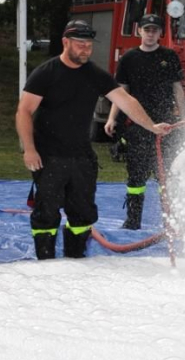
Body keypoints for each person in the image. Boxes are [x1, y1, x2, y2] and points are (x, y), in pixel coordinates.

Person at [16, 19, 171, 260]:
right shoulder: (46, 73)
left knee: (82, 213)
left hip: (81, 156)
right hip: (48, 156)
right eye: (80, 45)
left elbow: (126, 101)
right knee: (46, 211)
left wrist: (151, 126)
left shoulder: (94, 74)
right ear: (65, 42)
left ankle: (75, 261)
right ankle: (44, 264)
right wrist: (29, 149)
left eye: (88, 45)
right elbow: (24, 111)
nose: (86, 50)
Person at [105, 14, 185, 230]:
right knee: (136, 176)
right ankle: (133, 221)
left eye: (155, 30)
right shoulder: (129, 59)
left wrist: (183, 115)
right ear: (139, 31)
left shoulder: (169, 56)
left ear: (161, 33)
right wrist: (112, 118)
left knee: (166, 176)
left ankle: (172, 222)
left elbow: (177, 88)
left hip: (166, 126)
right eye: (146, 29)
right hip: (137, 127)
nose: (150, 33)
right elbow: (121, 92)